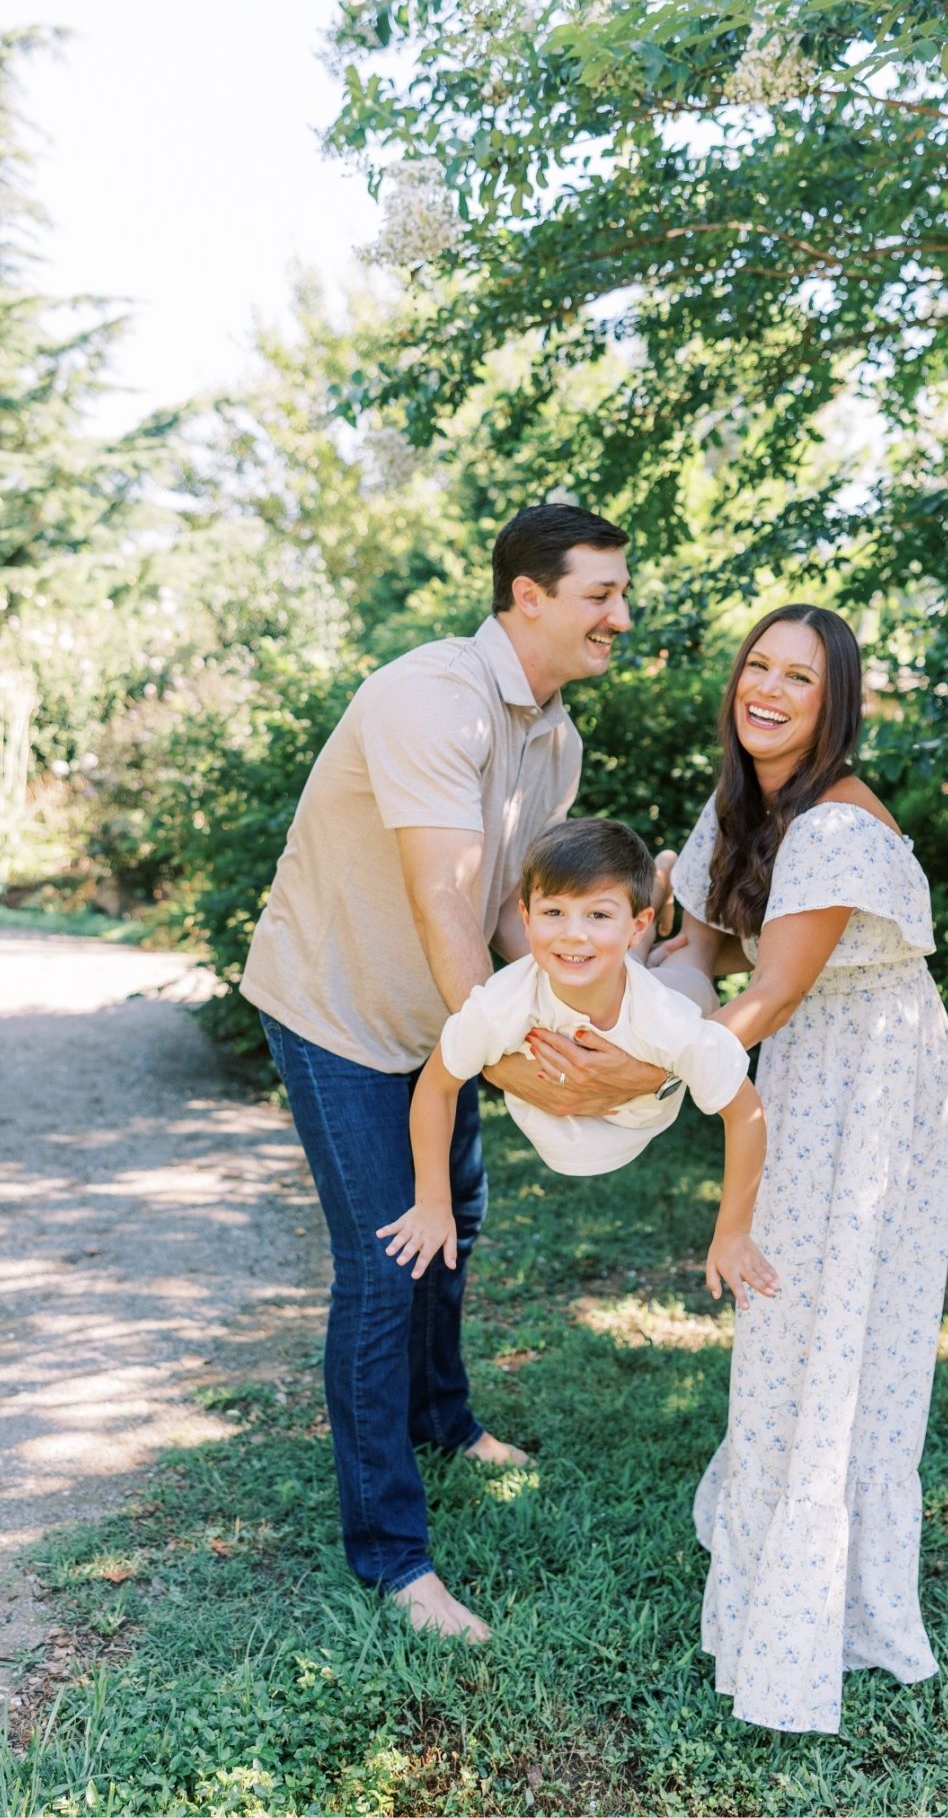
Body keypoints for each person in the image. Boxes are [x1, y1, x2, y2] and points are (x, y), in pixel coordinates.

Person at [241, 503, 677, 1643]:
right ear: (526, 595)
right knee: (390, 1264)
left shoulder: (556, 738)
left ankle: (443, 1417)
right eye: (601, 594)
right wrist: (519, 1068)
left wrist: (591, 1032)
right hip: (339, 1010)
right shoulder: (432, 698)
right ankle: (392, 1557)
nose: (621, 616)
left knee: (460, 1216)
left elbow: (510, 917)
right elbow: (445, 902)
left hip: (440, 1018)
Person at [645, 603, 948, 1734]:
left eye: (800, 677)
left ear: (835, 705)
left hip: (878, 1082)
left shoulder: (831, 827)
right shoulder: (741, 800)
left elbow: (769, 991)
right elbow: (696, 956)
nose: (768, 690)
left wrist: (640, 1078)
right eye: (756, 665)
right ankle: (781, 1556)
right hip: (811, 1064)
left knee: (832, 1326)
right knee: (792, 1325)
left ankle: (825, 1600)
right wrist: (625, 1025)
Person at [376, 818, 777, 1314]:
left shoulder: (669, 1020)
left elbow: (745, 1113)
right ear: (525, 918)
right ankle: (656, 879)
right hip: (589, 1054)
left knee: (689, 967)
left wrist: (733, 1233)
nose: (572, 933)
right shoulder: (501, 1004)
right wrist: (433, 1200)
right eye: (553, 911)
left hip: (651, 1069)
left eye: (597, 915)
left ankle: (669, 883)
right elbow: (436, 1087)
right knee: (611, 960)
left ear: (635, 924)